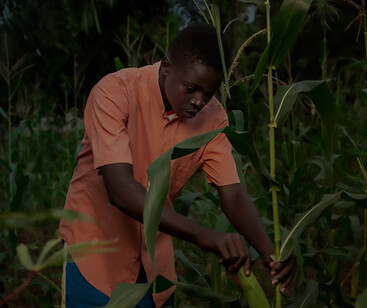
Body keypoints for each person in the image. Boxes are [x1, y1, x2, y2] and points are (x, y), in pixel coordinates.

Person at [59, 23, 296, 308]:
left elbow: (232, 194)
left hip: (154, 268)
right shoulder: (114, 92)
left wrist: (271, 254)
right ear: (167, 66)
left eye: (210, 92)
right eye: (192, 89)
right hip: (93, 259)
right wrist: (203, 235)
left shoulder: (214, 118)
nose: (200, 101)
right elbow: (120, 189)